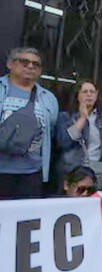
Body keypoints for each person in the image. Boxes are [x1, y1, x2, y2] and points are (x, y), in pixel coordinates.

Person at [0, 47, 59, 198]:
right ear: (10, 64)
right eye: (24, 62)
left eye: (35, 64)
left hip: (31, 174)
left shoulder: (48, 98)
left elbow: (49, 132)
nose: (30, 66)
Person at [56, 80, 102, 182]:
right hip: (73, 171)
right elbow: (64, 142)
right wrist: (82, 118)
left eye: (92, 92)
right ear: (77, 95)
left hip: (98, 170)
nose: (89, 95)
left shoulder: (101, 117)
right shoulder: (65, 116)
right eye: (85, 92)